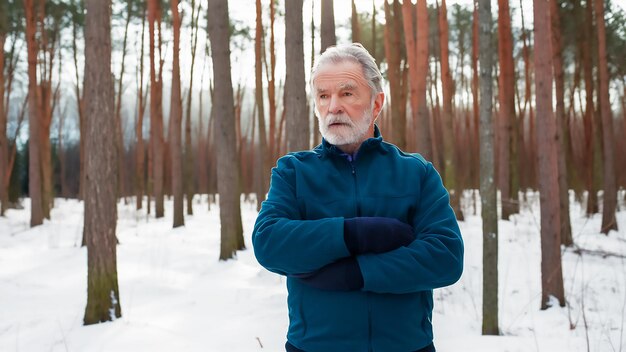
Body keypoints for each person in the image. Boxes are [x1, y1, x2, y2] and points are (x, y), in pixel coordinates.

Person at [252, 43, 464, 352]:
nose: (333, 106)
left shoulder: (416, 173)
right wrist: (354, 234)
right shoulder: (293, 172)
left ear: (376, 104)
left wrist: (356, 273)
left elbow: (445, 257)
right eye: (323, 96)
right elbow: (269, 243)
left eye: (347, 93)